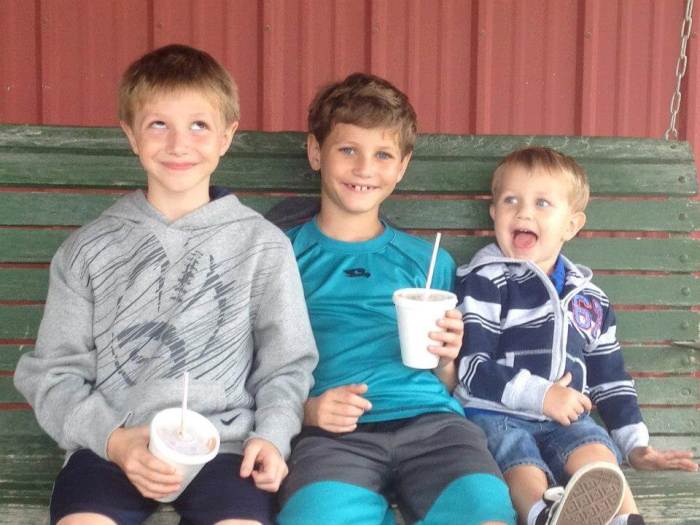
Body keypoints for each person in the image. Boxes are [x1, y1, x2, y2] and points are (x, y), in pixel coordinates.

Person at [13, 44, 318, 525]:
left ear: (226, 137)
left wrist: (272, 437)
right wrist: (113, 440)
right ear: (131, 136)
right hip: (114, 444)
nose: (179, 143)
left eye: (199, 125)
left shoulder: (262, 245)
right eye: (159, 124)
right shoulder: (88, 249)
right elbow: (52, 375)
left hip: (225, 446)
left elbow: (286, 365)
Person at [275, 72, 515, 525]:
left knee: (486, 517)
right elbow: (259, 363)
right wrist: (306, 411)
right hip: (331, 434)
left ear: (401, 167)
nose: (365, 168)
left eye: (383, 154)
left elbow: (444, 382)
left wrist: (446, 359)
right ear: (315, 152)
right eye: (348, 150)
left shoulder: (429, 262)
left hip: (434, 425)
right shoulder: (282, 256)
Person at [453, 147, 699, 525]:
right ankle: (542, 513)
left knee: (597, 452)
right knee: (518, 460)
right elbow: (472, 367)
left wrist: (636, 446)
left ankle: (625, 518)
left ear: (572, 224)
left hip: (567, 419)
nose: (524, 212)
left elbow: (611, 378)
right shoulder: (486, 280)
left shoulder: (588, 299)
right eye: (511, 200)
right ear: (494, 213)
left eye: (542, 203)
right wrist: (543, 395)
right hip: (497, 413)